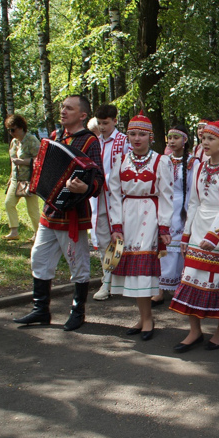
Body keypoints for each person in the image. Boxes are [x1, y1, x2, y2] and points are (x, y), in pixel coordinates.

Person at [14, 95, 103, 331]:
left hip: (73, 214)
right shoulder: (54, 137)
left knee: (78, 264)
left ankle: (78, 312)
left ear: (82, 115)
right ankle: (40, 310)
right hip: (49, 212)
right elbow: (42, 167)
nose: (63, 111)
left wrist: (85, 187)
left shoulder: (90, 142)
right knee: (39, 259)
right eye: (62, 107)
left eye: (69, 108)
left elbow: (99, 179)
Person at [170, 118, 219, 352]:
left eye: (211, 138)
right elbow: (192, 202)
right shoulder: (199, 166)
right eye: (203, 138)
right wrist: (186, 235)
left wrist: (214, 236)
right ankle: (194, 331)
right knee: (190, 279)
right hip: (197, 228)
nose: (205, 142)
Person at [107, 113, 173, 340]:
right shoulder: (121, 160)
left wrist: (164, 227)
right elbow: (114, 194)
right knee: (133, 271)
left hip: (149, 215)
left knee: (143, 268)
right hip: (127, 214)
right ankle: (143, 317)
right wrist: (116, 225)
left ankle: (147, 320)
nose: (137, 138)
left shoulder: (161, 161)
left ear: (151, 137)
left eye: (142, 134)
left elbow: (166, 196)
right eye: (133, 134)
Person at [92, 104, 130, 301]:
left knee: (118, 240)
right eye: (99, 123)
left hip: (118, 200)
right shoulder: (95, 141)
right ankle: (107, 279)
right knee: (102, 240)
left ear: (115, 121)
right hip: (98, 200)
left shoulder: (123, 141)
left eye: (105, 123)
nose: (102, 127)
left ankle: (111, 281)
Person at [155, 124, 195, 304]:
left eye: (175, 138)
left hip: (183, 206)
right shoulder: (164, 160)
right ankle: (160, 287)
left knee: (178, 249)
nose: (171, 141)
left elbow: (193, 189)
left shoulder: (193, 162)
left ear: (185, 141)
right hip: (165, 203)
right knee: (164, 247)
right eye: (169, 137)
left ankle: (179, 286)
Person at [3, 114, 41, 241]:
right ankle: (14, 231)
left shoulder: (32, 140)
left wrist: (23, 161)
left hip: (30, 179)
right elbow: (13, 162)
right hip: (15, 179)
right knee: (9, 203)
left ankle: (38, 234)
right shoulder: (14, 142)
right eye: (9, 130)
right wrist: (10, 177)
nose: (11, 133)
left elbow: (41, 160)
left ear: (21, 128)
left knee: (32, 209)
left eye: (13, 129)